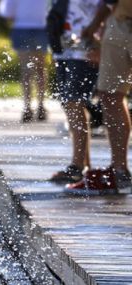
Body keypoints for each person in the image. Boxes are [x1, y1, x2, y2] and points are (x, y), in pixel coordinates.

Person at [67, 0, 132, 192]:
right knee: (110, 95)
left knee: (111, 96)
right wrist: (98, 23)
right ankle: (119, 171)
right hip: (118, 21)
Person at [49, 0, 102, 183]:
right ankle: (82, 165)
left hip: (85, 46)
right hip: (63, 45)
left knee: (74, 102)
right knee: (69, 103)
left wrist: (96, 36)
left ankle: (78, 166)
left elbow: (109, 7)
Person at [0, 0, 49, 123]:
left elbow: (7, 13)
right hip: (42, 27)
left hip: (22, 27)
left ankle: (27, 107)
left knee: (26, 70)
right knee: (40, 69)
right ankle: (41, 105)